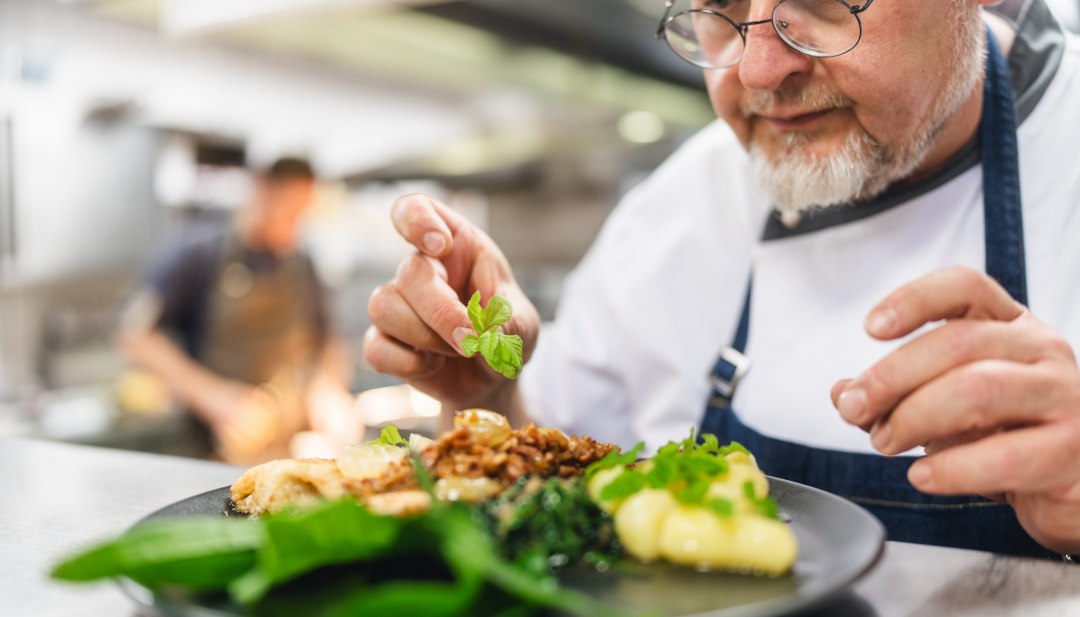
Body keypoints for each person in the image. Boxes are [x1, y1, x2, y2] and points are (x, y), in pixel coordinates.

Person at [363, 0, 1080, 559]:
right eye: (721, 7)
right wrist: (489, 392)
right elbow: (553, 478)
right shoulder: (677, 207)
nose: (761, 70)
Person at [119, 157, 360, 465]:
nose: (294, 225)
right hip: (214, 447)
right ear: (262, 191)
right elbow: (135, 337)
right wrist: (212, 395)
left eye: (302, 215)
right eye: (288, 211)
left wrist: (330, 392)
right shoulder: (195, 254)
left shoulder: (303, 264)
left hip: (287, 443)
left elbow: (326, 341)